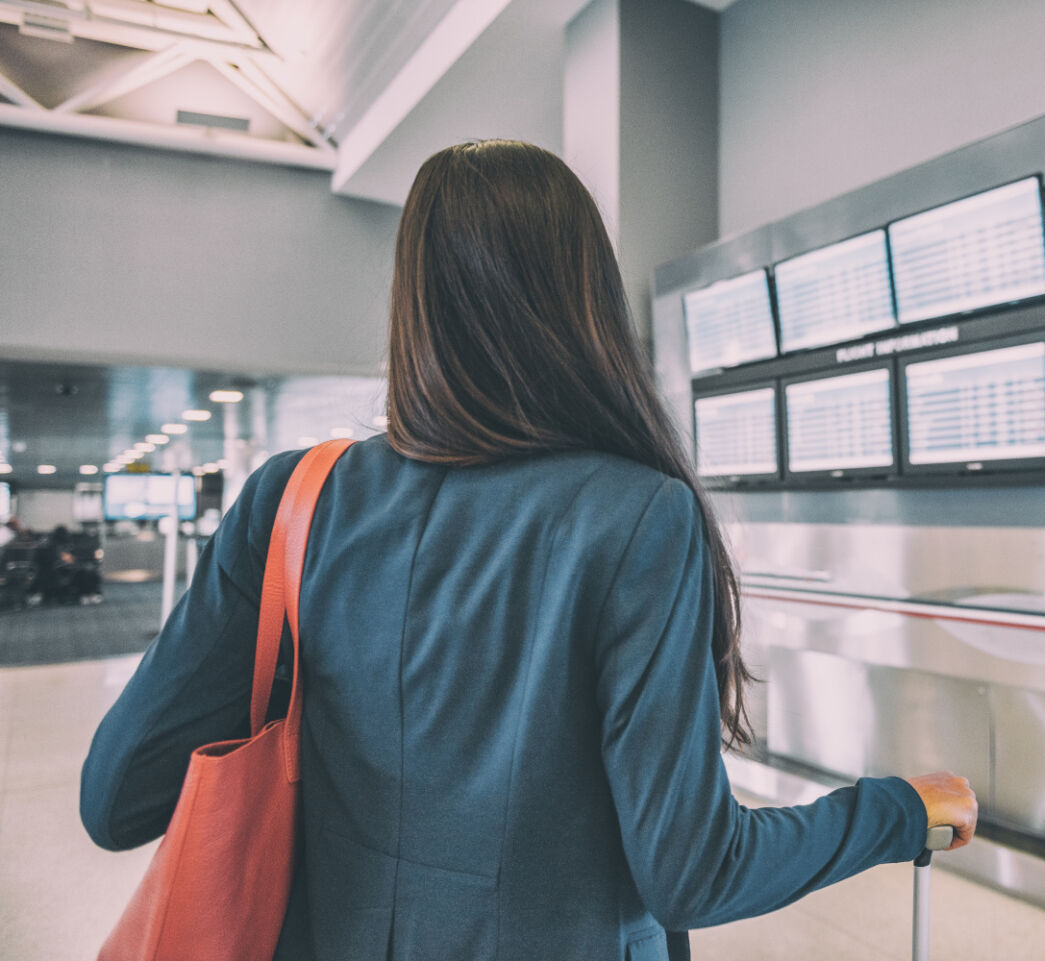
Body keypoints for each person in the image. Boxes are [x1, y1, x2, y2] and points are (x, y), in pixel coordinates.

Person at [80, 140, 978, 960]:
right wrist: (901, 810)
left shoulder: (293, 499)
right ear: (584, 301)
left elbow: (117, 796)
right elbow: (694, 870)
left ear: (413, 303)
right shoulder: (636, 517)